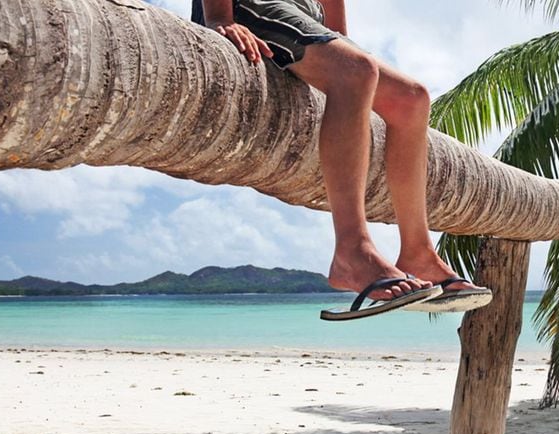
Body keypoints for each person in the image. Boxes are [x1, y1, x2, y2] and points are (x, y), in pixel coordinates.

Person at [191, 0, 492, 320]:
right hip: (253, 6)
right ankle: (352, 251)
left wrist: (342, 46)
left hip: (305, 18)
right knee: (356, 71)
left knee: (412, 99)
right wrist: (219, 17)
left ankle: (417, 253)